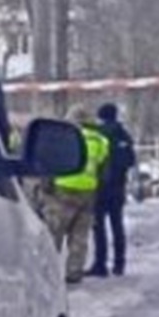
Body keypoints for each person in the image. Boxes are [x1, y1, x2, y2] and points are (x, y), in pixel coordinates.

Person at [47, 104, 109, 285]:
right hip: (88, 192)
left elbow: (51, 161)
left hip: (63, 189)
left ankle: (48, 270)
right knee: (80, 235)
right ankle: (74, 272)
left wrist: (47, 185)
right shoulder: (101, 141)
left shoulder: (64, 138)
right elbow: (102, 167)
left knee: (55, 232)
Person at [90, 102, 137, 277]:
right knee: (117, 225)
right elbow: (131, 160)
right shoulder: (124, 135)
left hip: (100, 187)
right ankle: (119, 264)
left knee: (99, 227)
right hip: (118, 187)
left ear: (101, 116)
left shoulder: (98, 134)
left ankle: (100, 264)